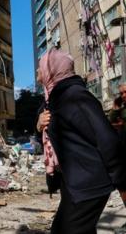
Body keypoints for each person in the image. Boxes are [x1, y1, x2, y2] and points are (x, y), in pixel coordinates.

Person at [35, 49, 126, 234]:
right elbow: (52, 137)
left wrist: (122, 182)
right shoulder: (53, 99)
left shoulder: (75, 96)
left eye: (40, 68)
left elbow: (106, 139)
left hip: (89, 184)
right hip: (75, 181)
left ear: (52, 70)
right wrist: (38, 126)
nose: (38, 73)